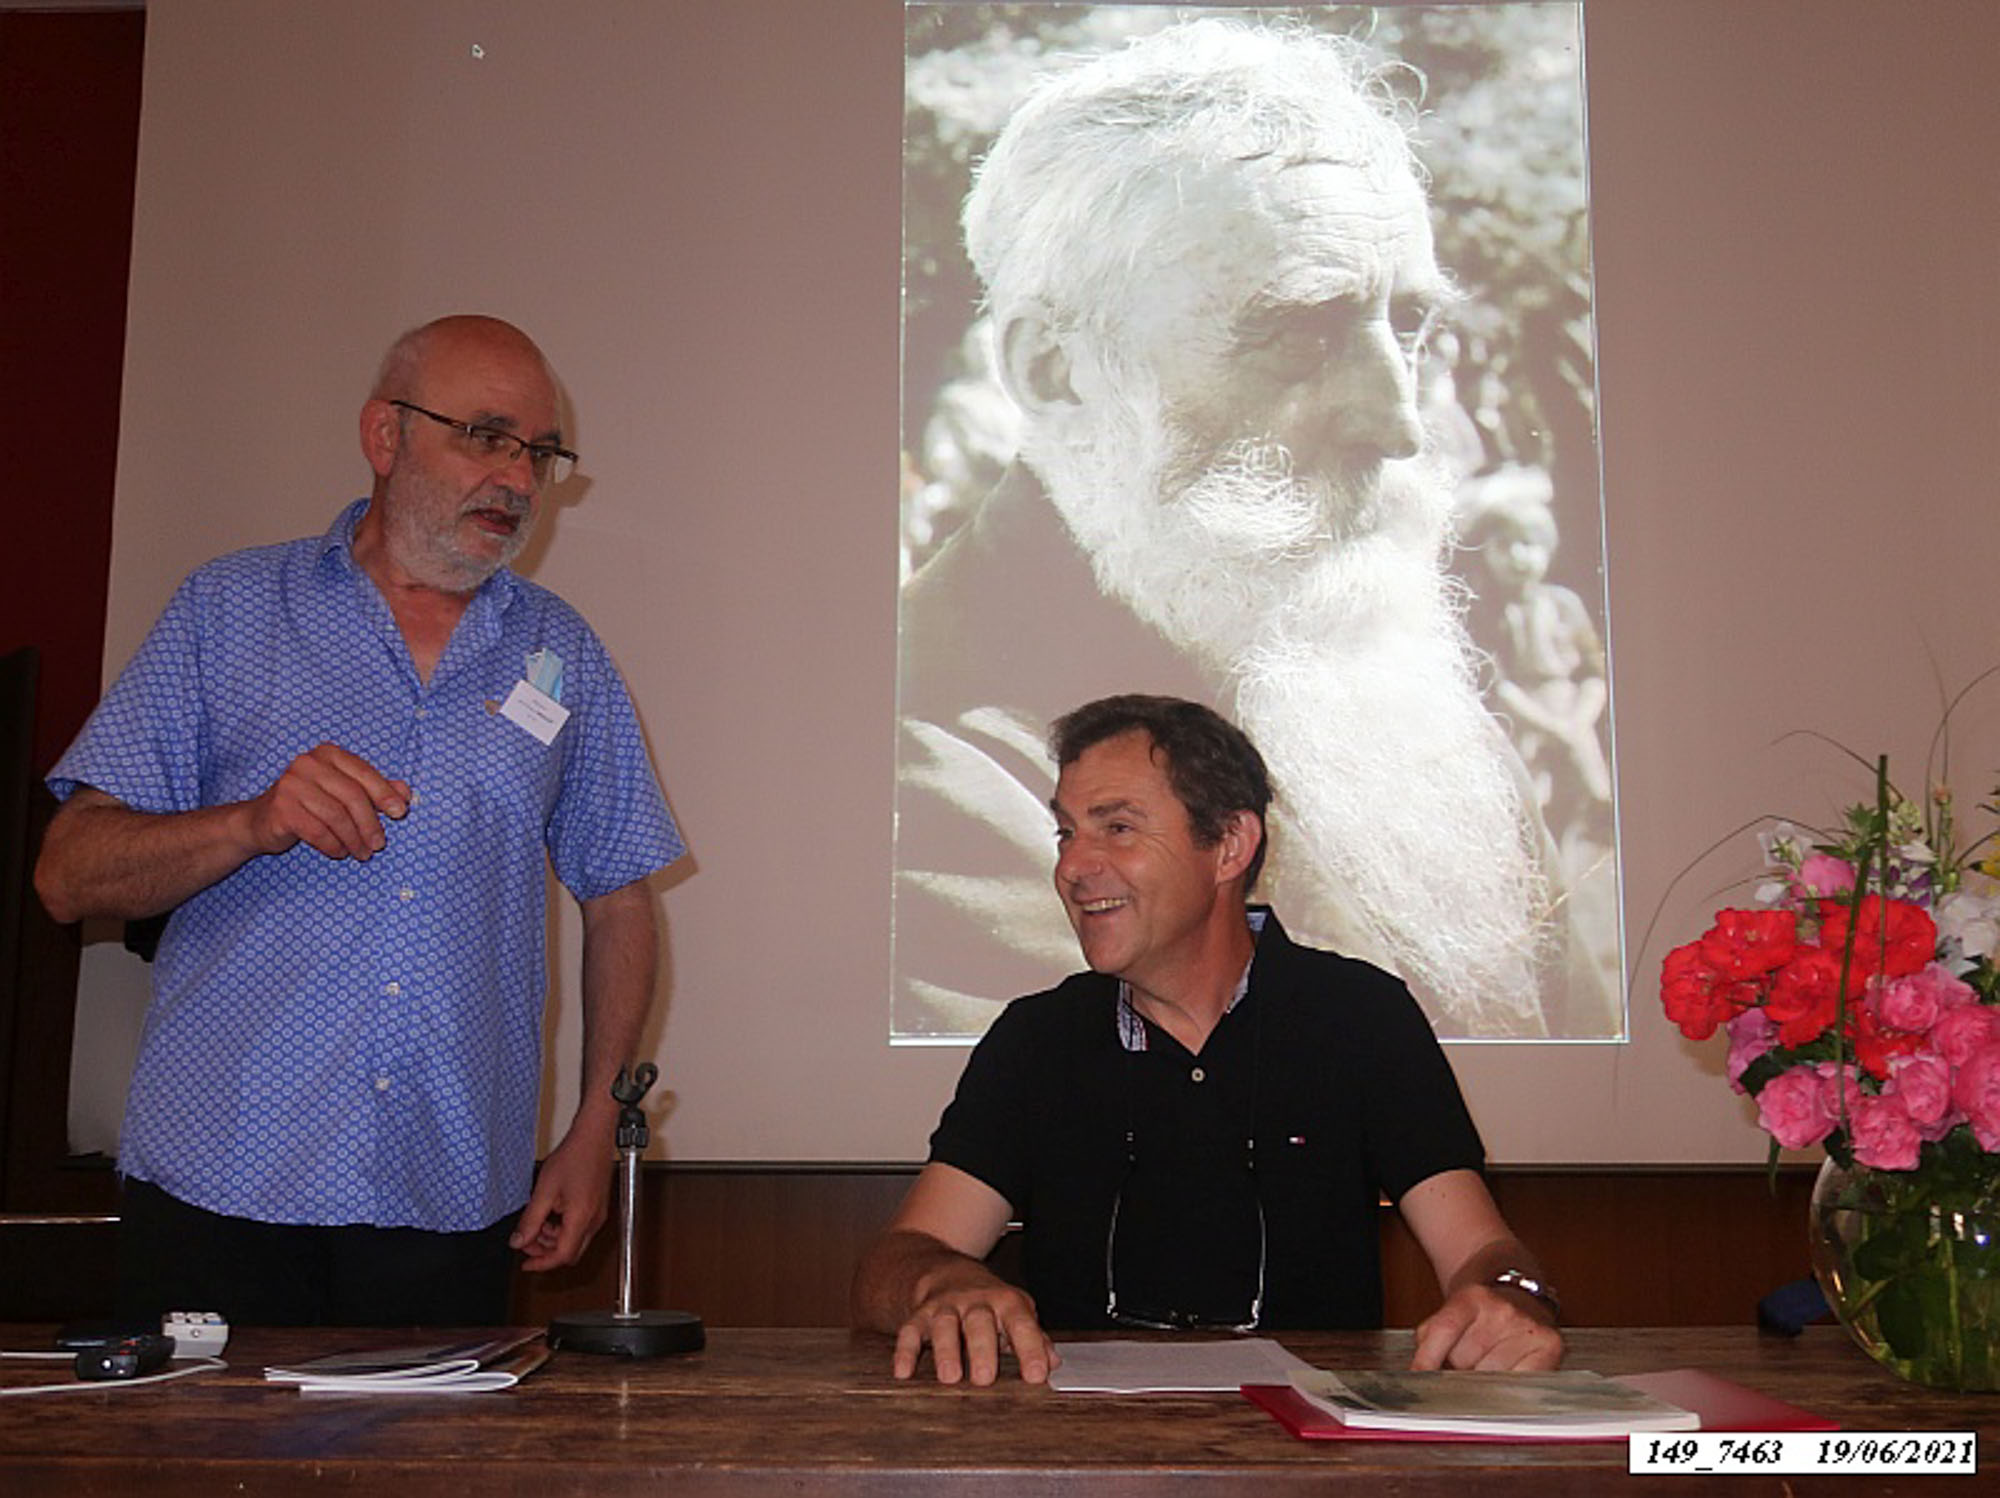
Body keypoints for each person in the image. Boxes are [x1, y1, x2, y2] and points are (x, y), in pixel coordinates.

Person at [895, 17, 1618, 1041]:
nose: (1398, 421)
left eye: (1406, 325)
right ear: (1053, 366)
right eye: (1296, 329)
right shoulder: (929, 779)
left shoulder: (1399, 711)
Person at [34, 315, 685, 1326]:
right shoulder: (228, 611)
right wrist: (250, 821)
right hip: (222, 1181)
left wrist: (594, 1125)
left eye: (538, 451)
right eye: (485, 434)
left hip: (449, 1191)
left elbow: (619, 897)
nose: (516, 477)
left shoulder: (563, 653)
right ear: (385, 436)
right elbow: (67, 874)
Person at [856, 694, 1563, 1386]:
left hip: (1313, 1461)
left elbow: (1485, 1251)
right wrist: (941, 1281)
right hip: (1080, 1459)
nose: (1073, 866)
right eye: (1067, 832)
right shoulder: (1038, 1039)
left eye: (1119, 828)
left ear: (1229, 846)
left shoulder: (1360, 1017)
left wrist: (1511, 1298)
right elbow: (897, 1260)